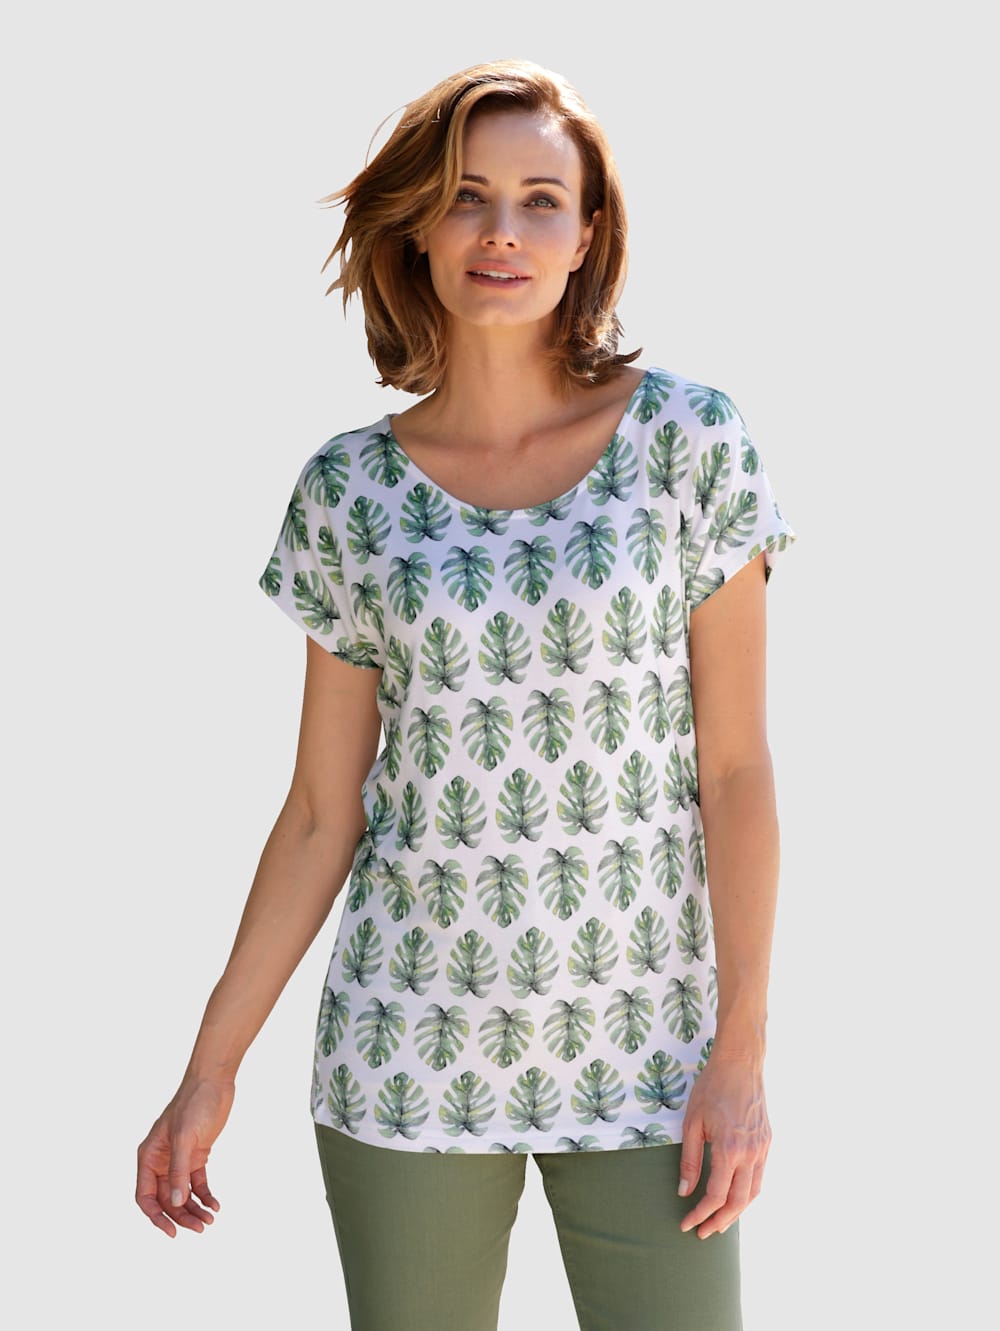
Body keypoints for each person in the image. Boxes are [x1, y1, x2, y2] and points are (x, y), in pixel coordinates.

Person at [136, 58, 796, 1331]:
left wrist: (744, 1049)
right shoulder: (348, 492)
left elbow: (736, 771)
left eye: (539, 200)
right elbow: (320, 812)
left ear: (586, 234)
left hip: (651, 1051)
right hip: (405, 1052)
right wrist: (210, 1068)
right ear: (420, 229)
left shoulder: (690, 443)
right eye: (466, 197)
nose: (501, 230)